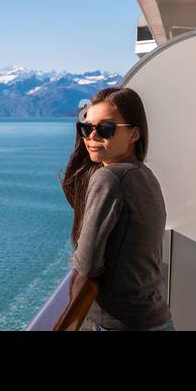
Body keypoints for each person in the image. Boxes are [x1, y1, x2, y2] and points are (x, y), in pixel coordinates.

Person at [61, 87, 173, 331]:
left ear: (134, 134)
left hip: (123, 323)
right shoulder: (144, 174)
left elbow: (88, 264)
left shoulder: (109, 177)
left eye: (105, 129)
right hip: (155, 317)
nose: (92, 137)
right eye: (87, 128)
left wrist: (79, 258)